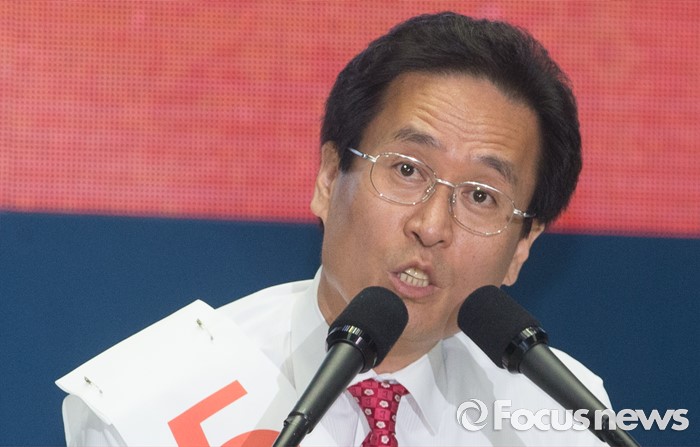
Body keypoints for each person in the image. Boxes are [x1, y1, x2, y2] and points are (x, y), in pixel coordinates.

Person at [59, 11, 612, 446]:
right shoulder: (155, 402)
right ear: (328, 178)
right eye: (406, 170)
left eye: (481, 197)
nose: (431, 226)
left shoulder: (564, 421)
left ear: (521, 248)